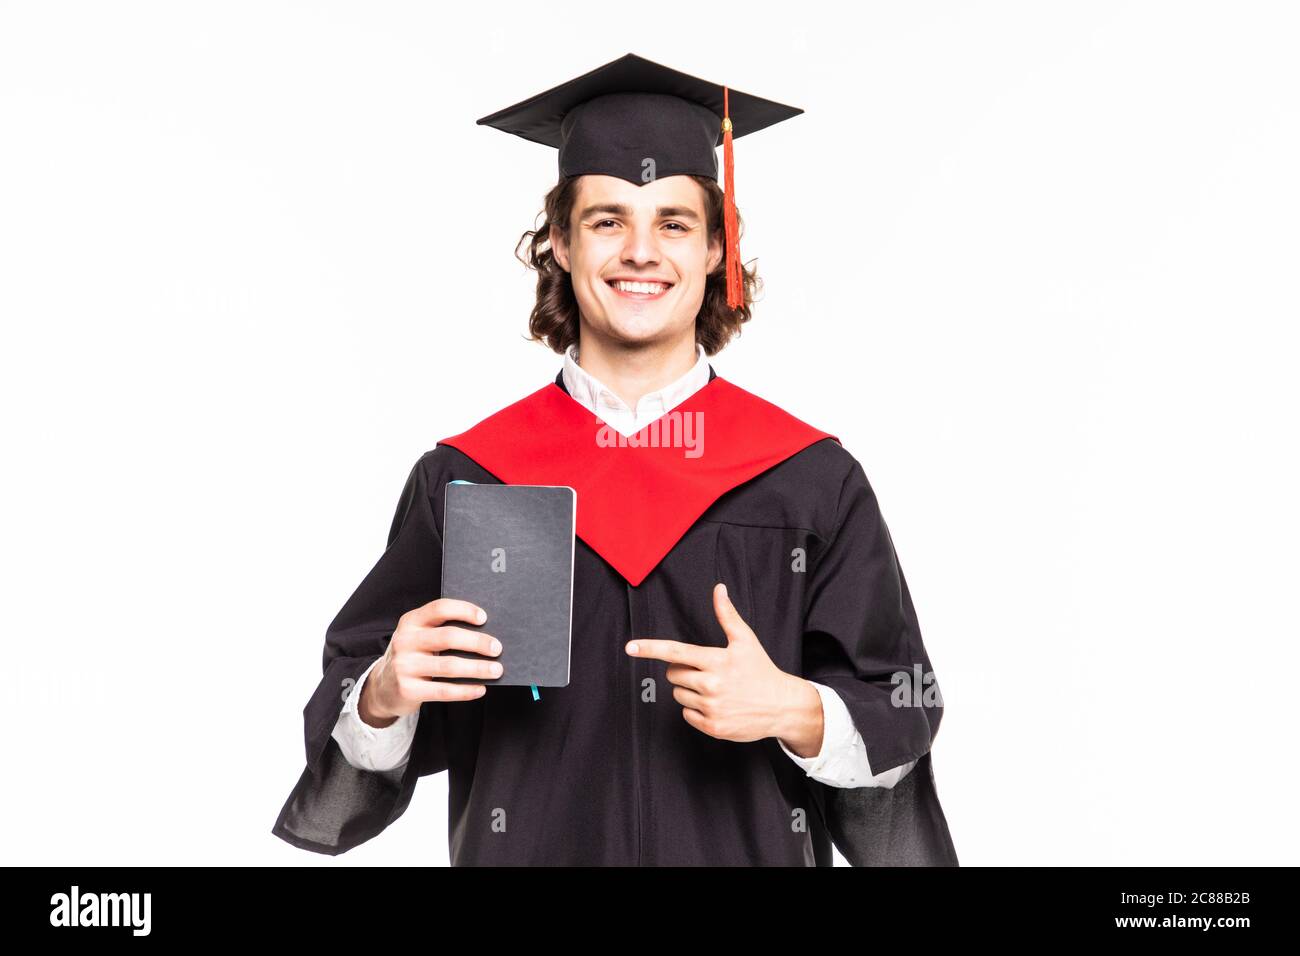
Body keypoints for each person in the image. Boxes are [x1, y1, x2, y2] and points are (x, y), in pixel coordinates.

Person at [271, 53, 958, 866]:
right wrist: (384, 697)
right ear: (559, 242)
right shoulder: (470, 477)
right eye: (606, 221)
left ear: (715, 252)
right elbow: (361, 740)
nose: (640, 251)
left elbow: (898, 708)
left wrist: (796, 709)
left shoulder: (809, 481)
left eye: (673, 223)